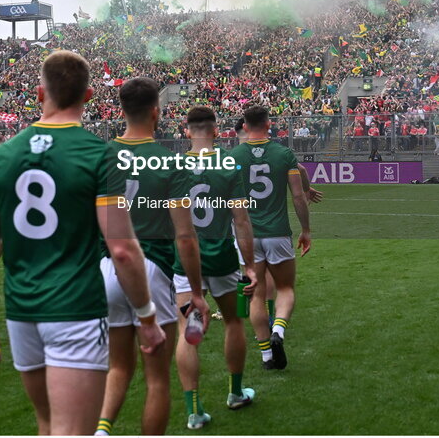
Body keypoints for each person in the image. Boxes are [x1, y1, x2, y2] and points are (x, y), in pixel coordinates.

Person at [0, 51, 163, 435]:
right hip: (75, 310)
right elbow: (121, 248)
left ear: (40, 93)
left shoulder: (1, 157)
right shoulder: (100, 155)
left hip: (22, 313)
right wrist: (147, 316)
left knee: (48, 425)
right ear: (89, 96)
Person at [95, 78, 208, 436]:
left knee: (117, 367)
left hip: (107, 267)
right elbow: (186, 237)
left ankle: (100, 430)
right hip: (152, 270)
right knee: (157, 381)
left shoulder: (100, 156)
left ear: (121, 111)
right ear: (156, 111)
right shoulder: (170, 162)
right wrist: (196, 293)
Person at [173, 106, 259, 429]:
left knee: (189, 332)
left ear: (186, 130)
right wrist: (249, 265)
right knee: (234, 322)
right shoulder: (228, 164)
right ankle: (236, 394)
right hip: (222, 256)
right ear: (216, 129)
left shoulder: (174, 165)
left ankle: (194, 412)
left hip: (184, 259)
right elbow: (241, 219)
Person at [230, 105, 311, 371]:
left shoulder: (233, 156)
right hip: (277, 232)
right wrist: (306, 230)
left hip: (246, 236)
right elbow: (298, 196)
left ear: (244, 126)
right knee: (285, 288)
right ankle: (279, 330)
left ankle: (266, 356)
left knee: (256, 295)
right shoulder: (284, 154)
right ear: (269, 124)